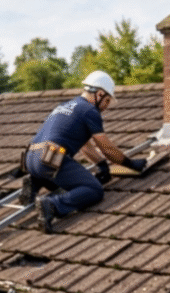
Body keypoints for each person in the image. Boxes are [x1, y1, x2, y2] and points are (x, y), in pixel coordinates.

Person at [21, 70, 147, 233]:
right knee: (94, 190)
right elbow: (106, 147)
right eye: (107, 101)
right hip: (49, 158)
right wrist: (130, 163)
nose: (106, 107)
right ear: (99, 94)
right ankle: (51, 205)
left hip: (31, 159)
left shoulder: (66, 105)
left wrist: (101, 165)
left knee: (65, 183)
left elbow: (85, 146)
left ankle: (35, 182)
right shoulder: (89, 111)